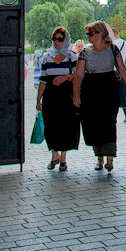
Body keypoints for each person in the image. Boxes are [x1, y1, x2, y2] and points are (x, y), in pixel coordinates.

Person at [72, 22, 126, 172]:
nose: (89, 37)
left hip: (109, 87)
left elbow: (122, 69)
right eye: (88, 34)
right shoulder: (85, 52)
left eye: (92, 33)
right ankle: (99, 156)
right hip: (91, 88)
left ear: (101, 33)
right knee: (92, 123)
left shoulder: (113, 49)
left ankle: (110, 158)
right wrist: (75, 94)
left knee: (108, 121)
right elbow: (79, 74)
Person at [35, 27, 79, 171]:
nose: (57, 42)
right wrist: (38, 100)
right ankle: (55, 154)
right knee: (50, 126)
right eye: (54, 39)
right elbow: (43, 80)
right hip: (51, 96)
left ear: (65, 40)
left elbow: (77, 77)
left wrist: (75, 94)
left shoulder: (72, 57)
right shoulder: (47, 58)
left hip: (66, 96)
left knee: (66, 126)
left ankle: (63, 158)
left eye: (60, 39)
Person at [110, 27, 126, 122]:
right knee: (124, 93)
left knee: (113, 94)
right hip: (122, 69)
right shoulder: (125, 43)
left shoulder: (113, 44)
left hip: (114, 70)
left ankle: (112, 115)